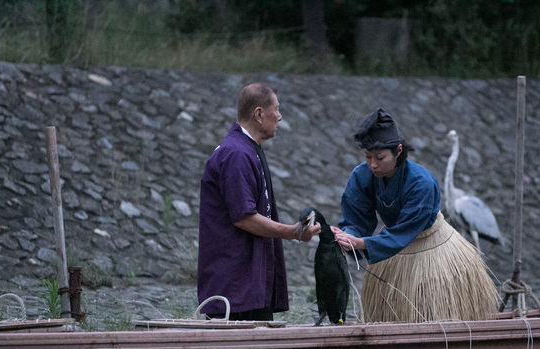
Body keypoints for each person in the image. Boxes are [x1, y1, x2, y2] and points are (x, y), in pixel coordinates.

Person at [333, 108, 498, 323]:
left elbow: (404, 232)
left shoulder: (422, 183)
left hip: (433, 251)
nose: (373, 164)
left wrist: (362, 243)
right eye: (368, 156)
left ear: (398, 150)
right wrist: (347, 236)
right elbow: (355, 219)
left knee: (435, 313)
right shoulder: (362, 175)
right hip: (391, 251)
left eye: (380, 157)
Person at [197, 83, 320, 320]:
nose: (280, 116)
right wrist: (294, 232)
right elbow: (244, 218)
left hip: (247, 283)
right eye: (276, 109)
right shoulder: (236, 154)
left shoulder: (248, 149)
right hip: (235, 286)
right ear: (259, 114)